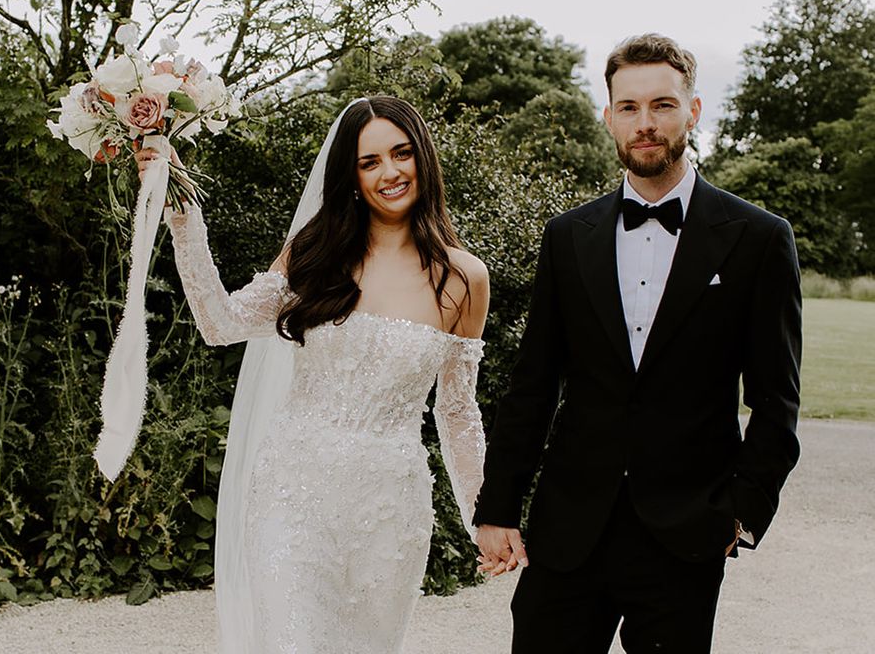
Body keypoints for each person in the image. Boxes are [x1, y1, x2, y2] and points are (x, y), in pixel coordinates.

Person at [474, 33, 802, 654]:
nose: (645, 123)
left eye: (662, 105)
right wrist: (498, 506)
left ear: (694, 111)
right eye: (629, 107)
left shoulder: (759, 239)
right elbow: (533, 385)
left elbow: (777, 402)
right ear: (609, 117)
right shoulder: (569, 236)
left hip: (686, 535)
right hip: (569, 530)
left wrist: (740, 511)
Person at [137, 96, 489, 654]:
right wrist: (184, 215)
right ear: (349, 175)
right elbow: (219, 323)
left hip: (389, 509)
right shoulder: (313, 255)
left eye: (401, 153)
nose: (390, 172)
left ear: (423, 157)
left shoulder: (464, 278)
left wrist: (482, 518)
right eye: (368, 161)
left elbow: (456, 412)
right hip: (292, 494)